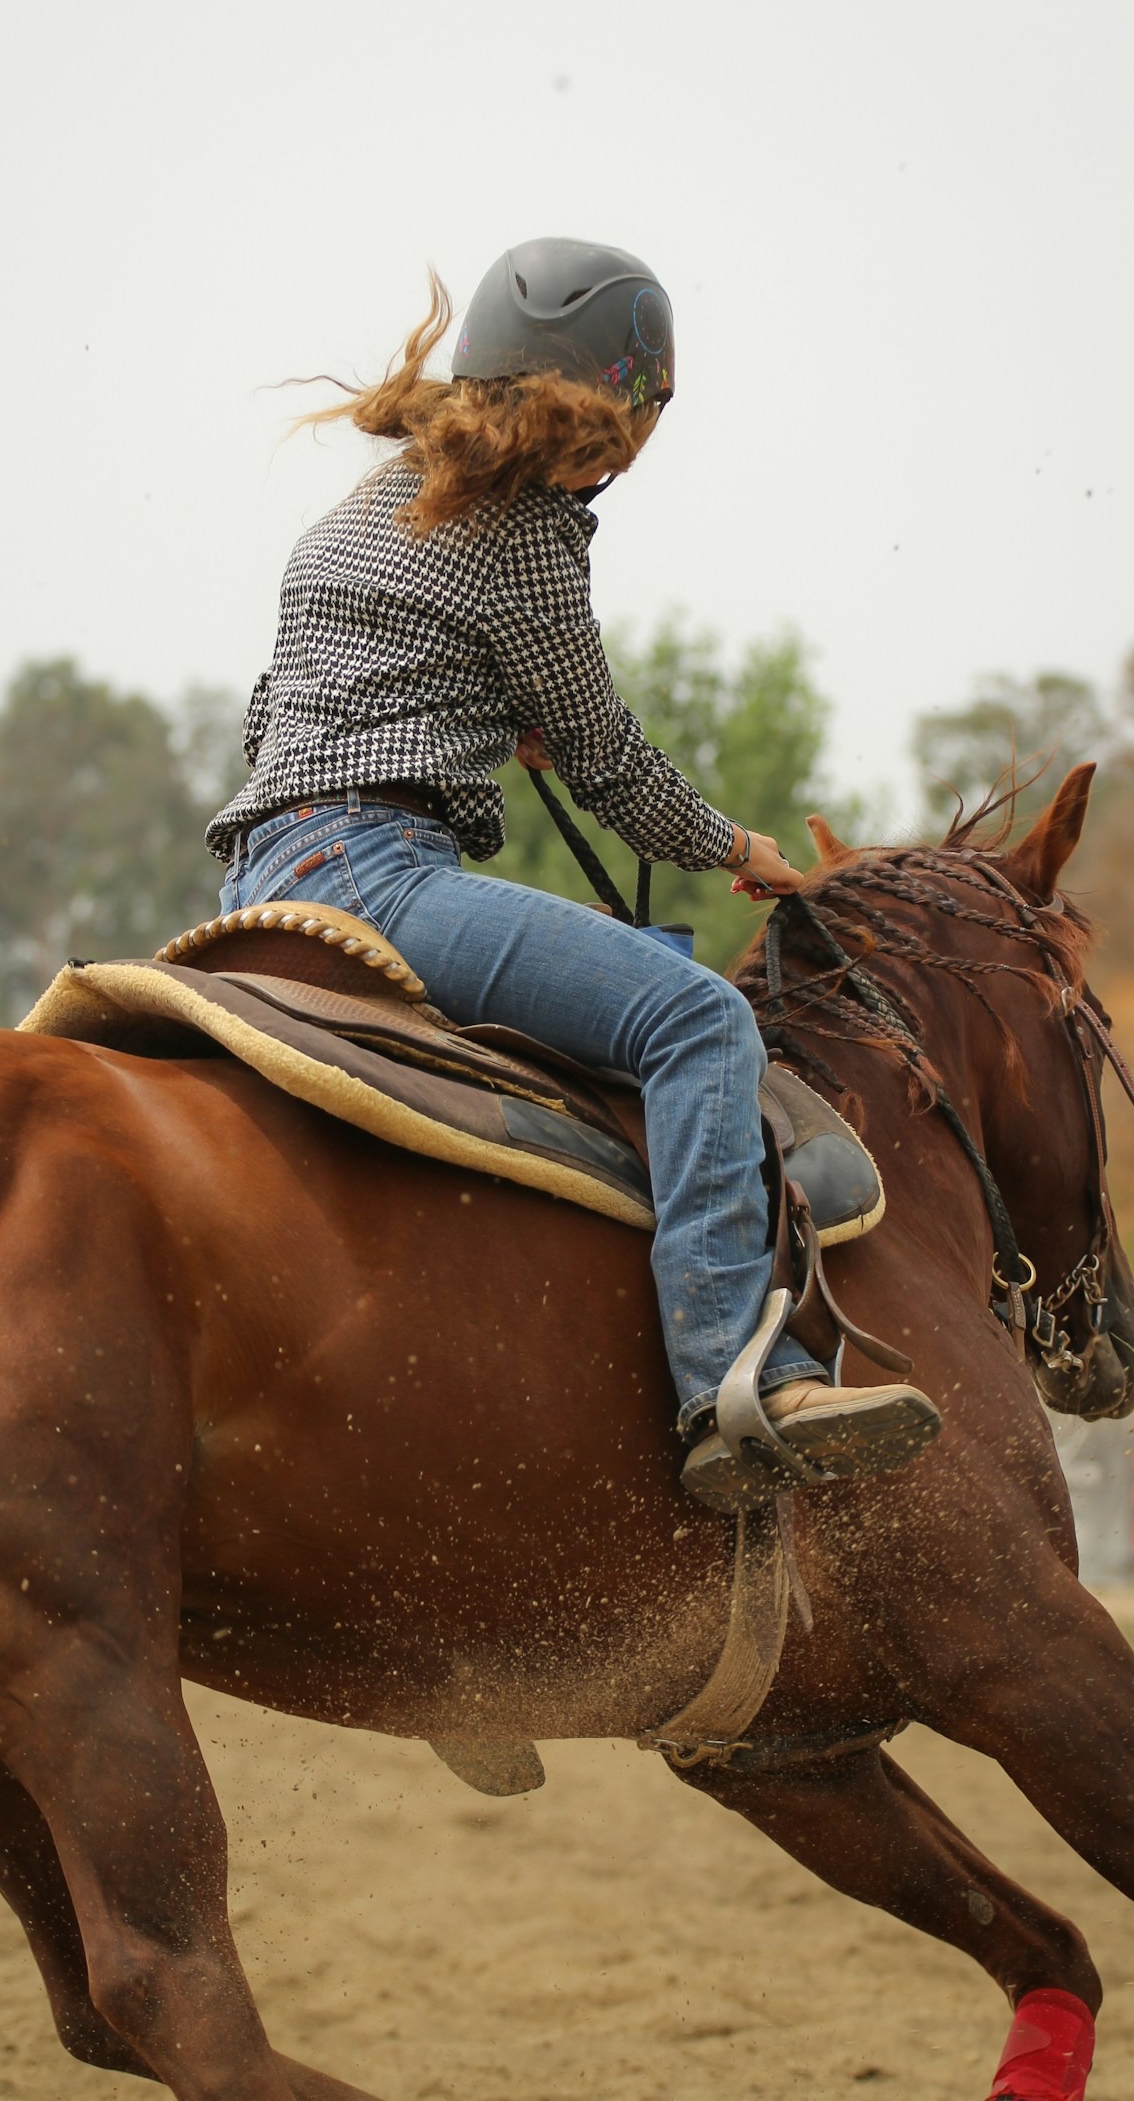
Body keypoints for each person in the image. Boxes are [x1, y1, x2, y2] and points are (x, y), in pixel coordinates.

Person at [206, 238, 940, 1508]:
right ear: (628, 404)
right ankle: (733, 1384)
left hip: (258, 883)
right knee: (698, 1017)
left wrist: (475, 715)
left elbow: (287, 706)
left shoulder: (363, 506)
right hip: (376, 874)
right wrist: (738, 850)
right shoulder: (532, 530)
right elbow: (608, 761)